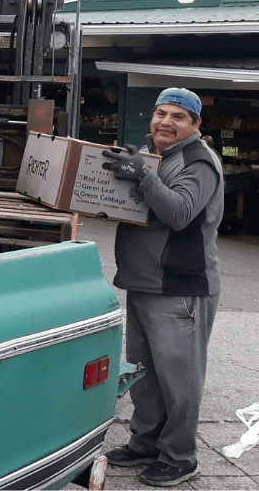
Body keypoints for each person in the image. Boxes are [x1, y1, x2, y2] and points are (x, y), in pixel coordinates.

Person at [101, 88, 223, 487]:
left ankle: (180, 457)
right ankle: (146, 442)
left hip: (179, 287)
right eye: (160, 113)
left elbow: (181, 213)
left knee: (179, 380)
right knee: (145, 374)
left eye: (178, 116)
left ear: (195, 124)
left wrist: (142, 175)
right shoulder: (152, 156)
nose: (166, 122)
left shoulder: (199, 161)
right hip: (143, 282)